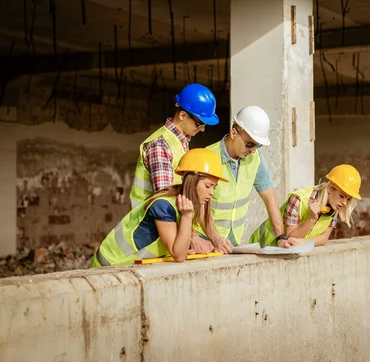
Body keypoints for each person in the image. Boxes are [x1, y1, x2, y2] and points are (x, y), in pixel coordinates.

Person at [91, 148, 228, 267]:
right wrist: (187, 216)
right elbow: (178, 255)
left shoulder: (182, 201)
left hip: (127, 263)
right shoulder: (163, 205)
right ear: (191, 182)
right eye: (208, 186)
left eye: (214, 187)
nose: (211, 192)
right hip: (111, 263)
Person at [192, 105, 291, 253]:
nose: (252, 150)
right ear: (234, 132)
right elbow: (199, 205)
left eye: (257, 146)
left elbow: (270, 199)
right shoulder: (208, 157)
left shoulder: (255, 159)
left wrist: (281, 237)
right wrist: (215, 238)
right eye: (249, 144)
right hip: (204, 240)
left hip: (232, 243)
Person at [129, 83, 219, 210]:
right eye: (200, 124)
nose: (203, 129)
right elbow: (163, 200)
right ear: (183, 115)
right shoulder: (160, 145)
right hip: (150, 224)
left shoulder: (181, 141)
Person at [249, 164, 362, 247]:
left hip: (285, 251)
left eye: (348, 199)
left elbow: (324, 238)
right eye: (342, 196)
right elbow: (291, 237)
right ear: (330, 188)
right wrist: (311, 220)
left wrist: (304, 242)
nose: (344, 203)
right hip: (262, 248)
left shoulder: (334, 206)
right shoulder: (298, 199)